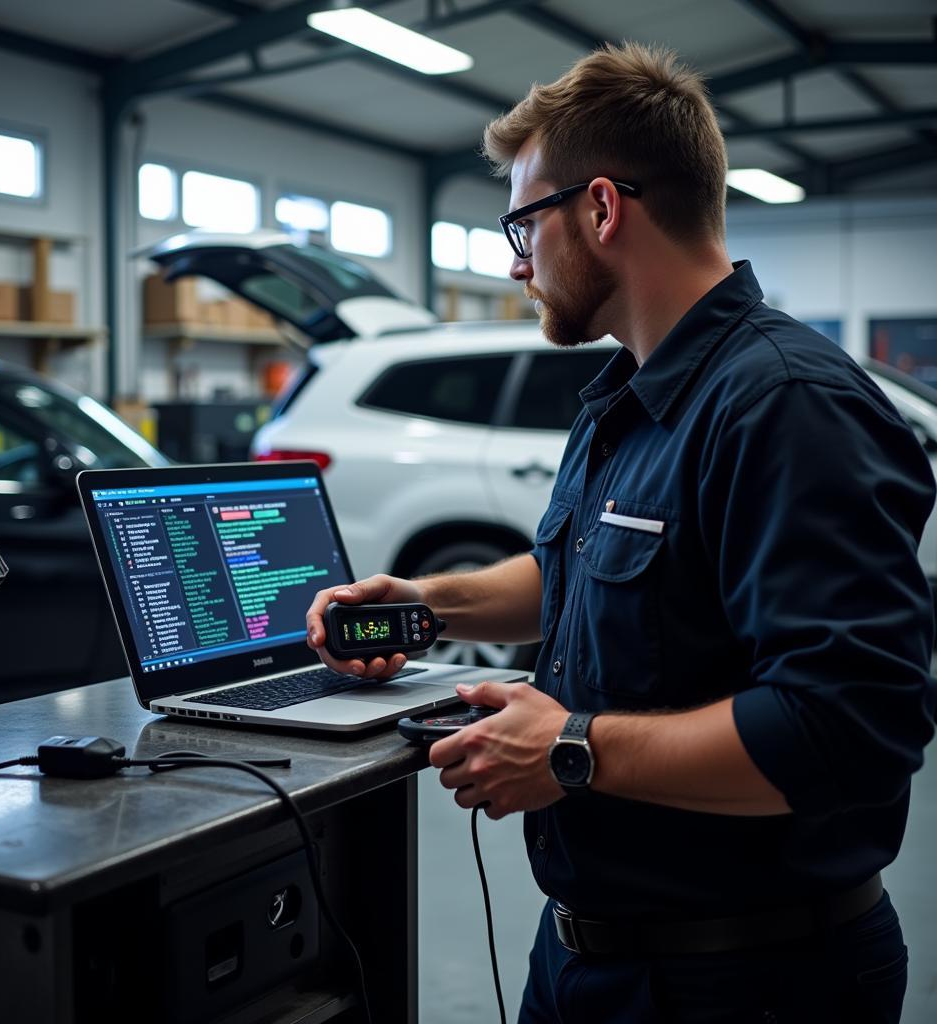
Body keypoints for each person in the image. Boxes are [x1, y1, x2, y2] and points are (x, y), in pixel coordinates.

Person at [306, 42, 936, 1023]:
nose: (515, 261)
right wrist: (426, 603)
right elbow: (582, 574)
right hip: (590, 960)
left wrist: (569, 747)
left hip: (750, 982)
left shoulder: (783, 406)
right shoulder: (628, 402)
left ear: (600, 209)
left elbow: (847, 729)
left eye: (523, 222)